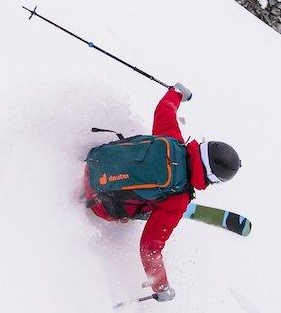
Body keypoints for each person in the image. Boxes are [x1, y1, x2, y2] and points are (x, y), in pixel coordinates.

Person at [85, 83, 241, 301]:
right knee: (156, 206)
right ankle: (145, 209)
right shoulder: (178, 200)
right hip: (99, 205)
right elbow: (149, 247)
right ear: (212, 179)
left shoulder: (172, 139)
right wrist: (160, 287)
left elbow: (165, 109)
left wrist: (177, 93)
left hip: (93, 162)